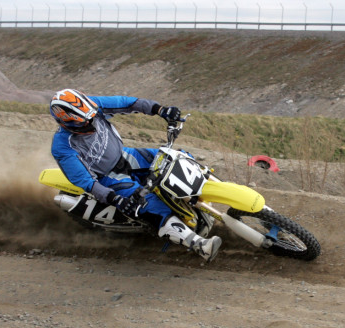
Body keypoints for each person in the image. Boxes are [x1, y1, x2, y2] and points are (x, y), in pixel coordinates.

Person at [49, 89, 221, 262]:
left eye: (92, 117)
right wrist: (116, 199)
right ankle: (200, 245)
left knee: (179, 158)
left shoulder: (93, 106)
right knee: (148, 204)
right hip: (109, 177)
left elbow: (128, 103)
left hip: (127, 156)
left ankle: (216, 194)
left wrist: (160, 110)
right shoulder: (62, 147)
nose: (92, 123)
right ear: (68, 123)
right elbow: (87, 182)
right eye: (86, 122)